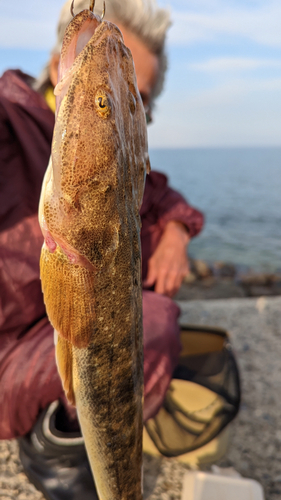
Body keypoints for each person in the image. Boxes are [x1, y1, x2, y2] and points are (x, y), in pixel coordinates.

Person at [0, 0, 204, 498]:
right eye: (109, 100)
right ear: (57, 67)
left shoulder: (122, 159)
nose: (116, 93)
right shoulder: (11, 122)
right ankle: (55, 441)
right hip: (8, 350)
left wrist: (176, 231)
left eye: (137, 96)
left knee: (159, 315)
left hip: (65, 328)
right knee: (155, 323)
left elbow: (159, 192)